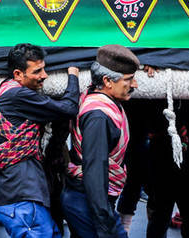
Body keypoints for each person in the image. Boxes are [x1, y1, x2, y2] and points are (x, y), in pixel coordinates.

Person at [0, 43, 80, 238]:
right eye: (37, 71)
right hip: (23, 201)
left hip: (22, 197)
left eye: (44, 69)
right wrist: (73, 76)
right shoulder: (17, 95)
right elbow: (68, 109)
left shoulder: (4, 90)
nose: (44, 75)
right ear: (18, 74)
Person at [62, 44, 139, 238]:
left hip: (88, 200)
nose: (134, 84)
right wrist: (105, 222)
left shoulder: (96, 96)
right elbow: (95, 169)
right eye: (128, 80)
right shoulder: (99, 116)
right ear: (107, 81)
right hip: (88, 202)